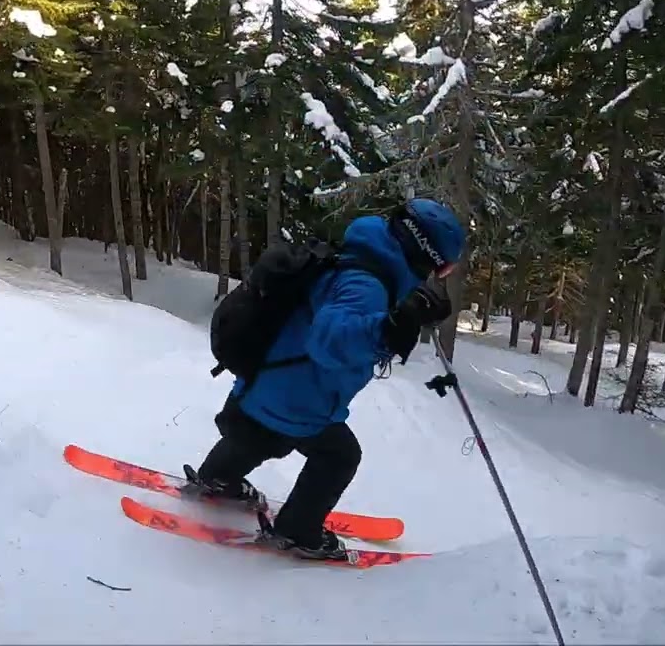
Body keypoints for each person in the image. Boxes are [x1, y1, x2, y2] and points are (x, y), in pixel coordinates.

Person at [185, 198, 466, 559]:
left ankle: (217, 477)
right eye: (443, 268)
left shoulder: (361, 258)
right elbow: (331, 341)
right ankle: (297, 531)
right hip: (297, 396)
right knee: (339, 456)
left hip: (265, 380)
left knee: (258, 435)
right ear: (425, 254)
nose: (438, 275)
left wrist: (409, 311)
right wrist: (390, 329)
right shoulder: (367, 284)